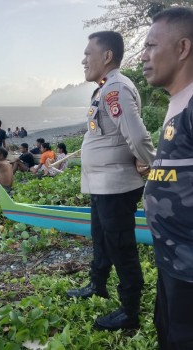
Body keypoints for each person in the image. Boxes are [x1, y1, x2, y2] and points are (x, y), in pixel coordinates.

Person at [66, 31, 155, 331]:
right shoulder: (104, 88)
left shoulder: (116, 88)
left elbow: (136, 133)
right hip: (101, 186)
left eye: (88, 53)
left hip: (117, 187)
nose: (83, 59)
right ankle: (98, 285)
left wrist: (151, 164)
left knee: (122, 248)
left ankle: (130, 312)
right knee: (102, 240)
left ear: (106, 56)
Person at [142, 7, 193, 349]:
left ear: (183, 48)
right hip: (172, 260)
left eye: (151, 46)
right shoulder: (177, 102)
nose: (143, 56)